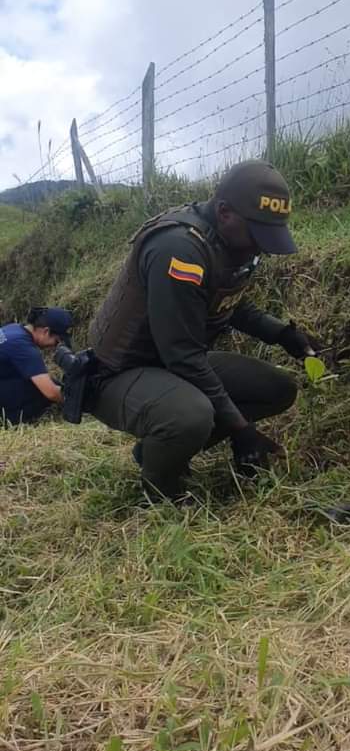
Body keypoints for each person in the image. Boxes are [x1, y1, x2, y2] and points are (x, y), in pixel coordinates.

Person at [88, 160, 321, 502]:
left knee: (277, 389)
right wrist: (242, 430)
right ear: (225, 212)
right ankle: (161, 494)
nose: (258, 248)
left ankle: (161, 451)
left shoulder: (225, 244)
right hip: (119, 373)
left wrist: (282, 335)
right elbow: (182, 355)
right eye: (256, 236)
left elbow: (226, 303)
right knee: (191, 415)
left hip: (172, 364)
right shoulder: (179, 250)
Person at [0, 306, 73, 426]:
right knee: (41, 394)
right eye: (56, 341)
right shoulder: (24, 347)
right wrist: (77, 401)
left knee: (48, 382)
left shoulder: (14, 329)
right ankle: (9, 420)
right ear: (46, 331)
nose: (55, 346)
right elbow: (51, 393)